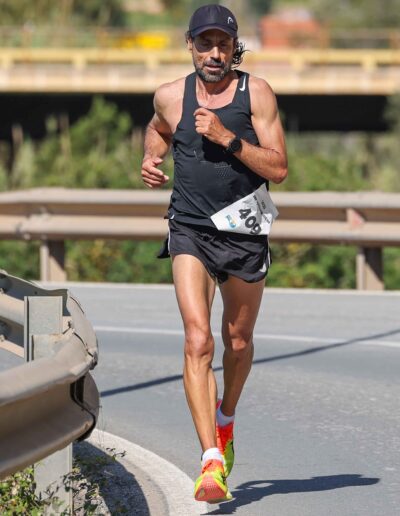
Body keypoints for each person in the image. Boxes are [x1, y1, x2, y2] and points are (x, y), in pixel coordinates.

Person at [141, 3, 287, 504]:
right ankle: (210, 461)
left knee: (237, 342)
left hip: (244, 232)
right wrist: (151, 156)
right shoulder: (170, 96)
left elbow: (279, 168)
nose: (214, 53)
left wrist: (228, 138)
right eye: (205, 44)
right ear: (191, 46)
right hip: (190, 229)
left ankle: (226, 419)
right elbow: (157, 128)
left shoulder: (256, 93)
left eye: (223, 44)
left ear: (233, 47)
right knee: (198, 340)